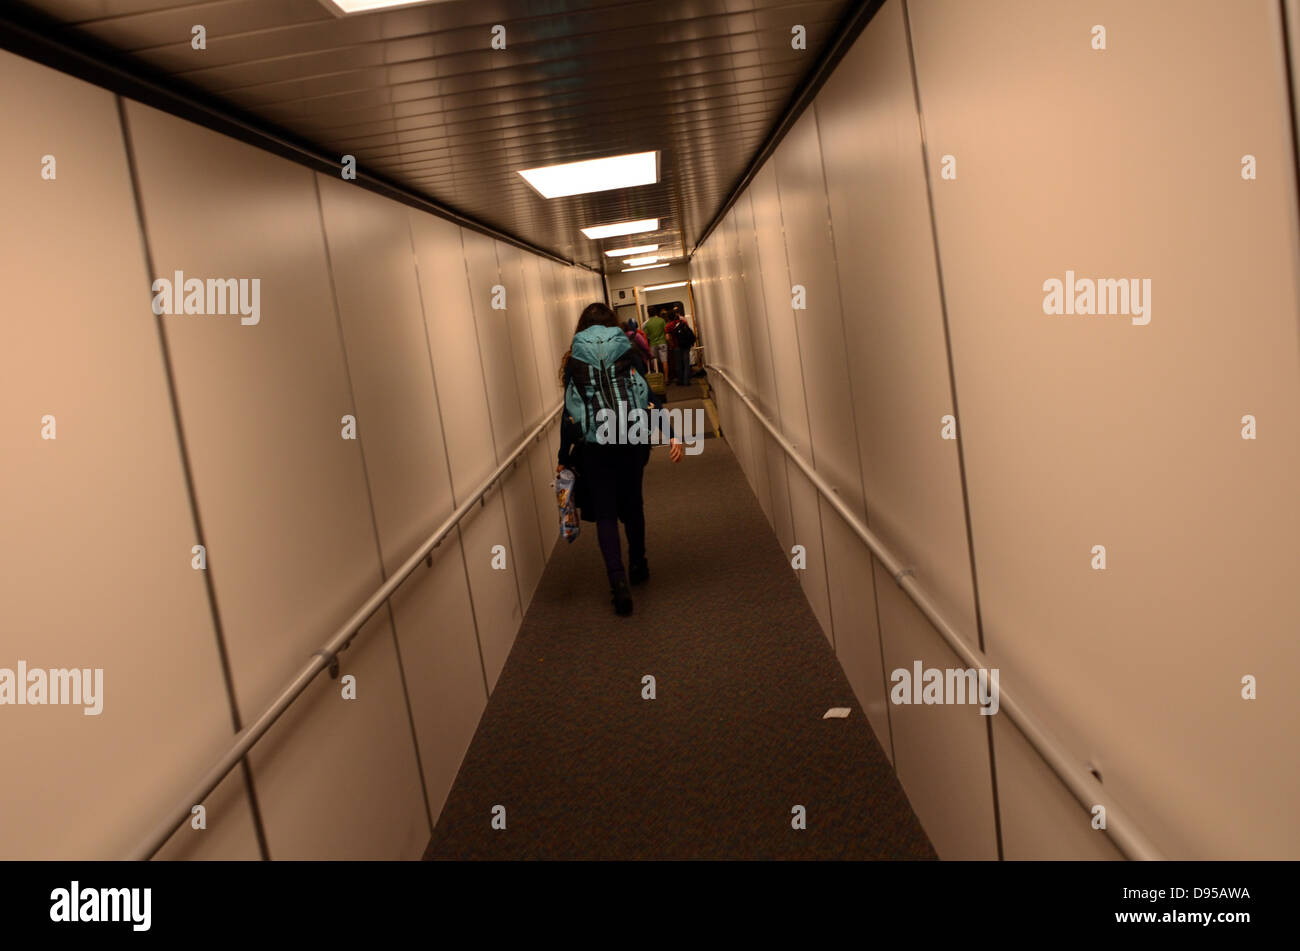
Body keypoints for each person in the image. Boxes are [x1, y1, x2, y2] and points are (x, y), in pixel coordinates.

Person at [558, 303, 684, 616]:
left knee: (605, 514)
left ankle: (618, 583)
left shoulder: (575, 359)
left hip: (595, 446)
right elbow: (647, 398)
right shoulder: (626, 350)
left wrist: (563, 457)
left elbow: (569, 414)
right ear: (612, 323)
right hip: (630, 437)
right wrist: (670, 433)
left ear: (582, 327)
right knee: (632, 504)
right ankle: (638, 563)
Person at [643, 306, 668, 376]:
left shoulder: (647, 324)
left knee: (654, 361)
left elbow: (645, 335)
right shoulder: (661, 320)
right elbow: (666, 331)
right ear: (656, 312)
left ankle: (657, 377)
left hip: (653, 344)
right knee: (664, 361)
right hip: (662, 343)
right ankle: (666, 378)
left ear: (648, 313)